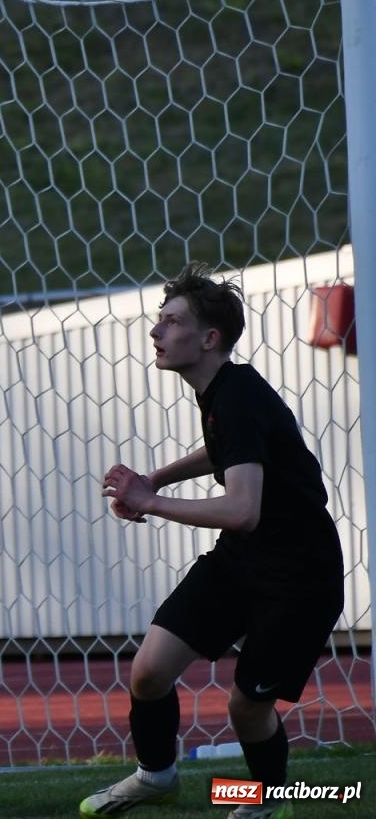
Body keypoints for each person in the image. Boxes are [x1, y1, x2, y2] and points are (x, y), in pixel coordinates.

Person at [81, 263, 345, 819]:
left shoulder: (236, 394)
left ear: (209, 339)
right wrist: (156, 479)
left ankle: (270, 801)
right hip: (243, 562)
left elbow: (242, 511)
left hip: (297, 578)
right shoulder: (223, 391)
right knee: (149, 671)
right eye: (159, 321)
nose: (156, 332)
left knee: (247, 708)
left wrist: (150, 501)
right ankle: (157, 777)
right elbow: (224, 449)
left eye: (171, 322)